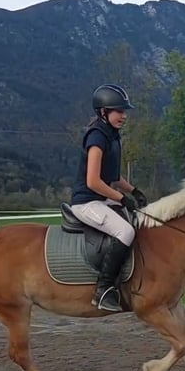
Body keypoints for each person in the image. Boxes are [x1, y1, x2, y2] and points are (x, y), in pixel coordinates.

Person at [69, 84, 149, 312]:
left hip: (102, 199)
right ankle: (103, 289)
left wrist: (134, 191)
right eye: (118, 111)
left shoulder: (112, 135)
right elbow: (93, 180)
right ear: (103, 112)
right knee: (126, 231)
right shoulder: (97, 138)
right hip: (86, 202)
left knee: (139, 220)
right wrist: (121, 198)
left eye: (125, 111)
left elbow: (112, 175)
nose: (124, 116)